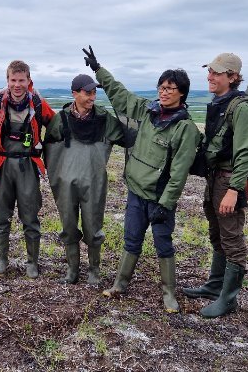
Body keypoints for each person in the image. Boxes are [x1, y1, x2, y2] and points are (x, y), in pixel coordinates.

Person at [83, 46, 200, 312]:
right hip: (136, 191)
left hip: (159, 198)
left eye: (171, 88)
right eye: (161, 86)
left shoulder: (186, 129)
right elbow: (120, 94)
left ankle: (169, 293)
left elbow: (180, 172)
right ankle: (120, 284)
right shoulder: (148, 110)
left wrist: (166, 203)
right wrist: (98, 69)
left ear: (182, 93)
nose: (164, 91)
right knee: (131, 239)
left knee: (163, 244)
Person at [183, 53, 248, 318]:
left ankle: (228, 299)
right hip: (215, 177)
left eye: (216, 72)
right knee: (216, 232)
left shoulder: (242, 107)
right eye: (210, 72)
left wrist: (234, 189)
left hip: (230, 180)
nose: (210, 76)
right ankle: (215, 285)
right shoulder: (221, 103)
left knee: (232, 237)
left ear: (233, 76)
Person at [44, 74, 126, 285]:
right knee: (68, 225)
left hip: (94, 181)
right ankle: (72, 270)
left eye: (94, 92)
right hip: (65, 183)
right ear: (75, 94)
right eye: (88, 92)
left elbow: (126, 137)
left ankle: (94, 270)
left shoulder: (104, 118)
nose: (92, 97)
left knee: (93, 225)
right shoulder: (60, 119)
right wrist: (55, 177)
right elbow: (48, 148)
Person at [0, 60, 55, 278]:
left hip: (28, 166)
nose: (17, 84)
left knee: (30, 217)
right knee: (0, 216)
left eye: (21, 80)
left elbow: (58, 128)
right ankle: (2, 260)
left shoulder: (39, 104)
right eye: (13, 80)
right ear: (7, 81)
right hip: (1, 166)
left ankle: (32, 262)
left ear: (29, 81)